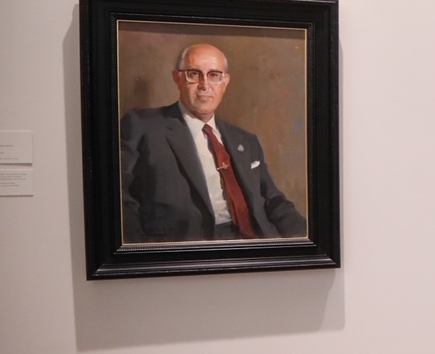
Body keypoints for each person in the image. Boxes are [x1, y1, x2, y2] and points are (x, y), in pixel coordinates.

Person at [119, 43, 307, 243]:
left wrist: (312, 239)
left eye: (214, 75)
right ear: (178, 78)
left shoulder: (245, 140)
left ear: (225, 82)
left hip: (253, 243)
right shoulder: (143, 126)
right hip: (185, 249)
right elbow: (119, 197)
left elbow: (274, 201)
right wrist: (140, 255)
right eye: (194, 74)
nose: (204, 85)